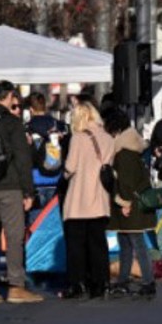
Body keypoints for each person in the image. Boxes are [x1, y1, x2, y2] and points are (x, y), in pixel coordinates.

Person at [0, 81, 43, 304]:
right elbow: (23, 159)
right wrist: (28, 192)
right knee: (14, 236)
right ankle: (16, 286)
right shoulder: (12, 123)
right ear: (10, 96)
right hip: (9, 185)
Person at [59, 101, 114, 300]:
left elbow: (70, 167)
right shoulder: (108, 138)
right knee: (98, 245)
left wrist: (64, 174)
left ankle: (78, 284)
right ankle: (102, 283)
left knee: (76, 246)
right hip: (99, 199)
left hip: (79, 200)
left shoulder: (78, 138)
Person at [104, 106, 156, 300]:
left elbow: (125, 182)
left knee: (135, 243)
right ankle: (124, 280)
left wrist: (123, 203)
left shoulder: (124, 152)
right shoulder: (134, 146)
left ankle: (147, 281)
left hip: (130, 206)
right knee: (126, 242)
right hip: (135, 203)